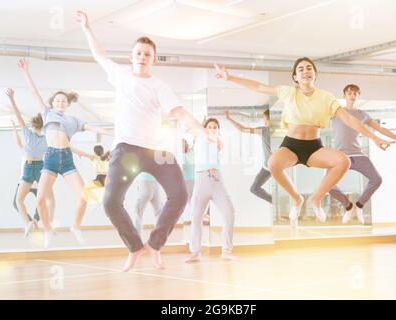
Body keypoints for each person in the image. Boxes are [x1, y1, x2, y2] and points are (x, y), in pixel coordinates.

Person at [77, 10, 213, 271]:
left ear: (153, 59)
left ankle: (154, 244)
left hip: (156, 151)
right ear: (131, 56)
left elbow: (179, 112)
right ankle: (135, 247)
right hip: (126, 149)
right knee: (110, 202)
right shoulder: (121, 76)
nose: (142, 57)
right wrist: (86, 28)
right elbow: (99, 55)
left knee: (180, 195)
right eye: (138, 53)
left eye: (147, 54)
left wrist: (201, 130)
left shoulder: (159, 86)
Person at [214, 58, 394, 227]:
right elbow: (259, 87)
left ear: (315, 74)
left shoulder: (326, 97)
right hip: (291, 145)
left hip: (314, 147)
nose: (305, 71)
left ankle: (316, 199)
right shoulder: (288, 92)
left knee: (343, 161)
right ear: (295, 77)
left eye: (309, 68)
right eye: (301, 69)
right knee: (273, 163)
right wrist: (229, 77)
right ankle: (296, 198)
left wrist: (375, 138)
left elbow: (349, 120)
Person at [17, 58, 113, 248]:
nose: (61, 102)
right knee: (40, 199)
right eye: (57, 100)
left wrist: (111, 131)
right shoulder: (46, 114)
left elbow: (92, 127)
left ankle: (75, 226)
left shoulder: (73, 120)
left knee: (84, 195)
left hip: (67, 159)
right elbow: (33, 92)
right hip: (51, 158)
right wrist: (26, 72)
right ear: (53, 103)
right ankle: (46, 230)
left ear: (67, 104)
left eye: (63, 100)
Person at [329, 84, 396, 224]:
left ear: (358, 96)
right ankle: (348, 206)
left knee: (377, 179)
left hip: (357, 154)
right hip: (340, 156)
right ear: (344, 95)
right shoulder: (337, 113)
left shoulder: (363, 115)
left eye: (355, 93)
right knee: (328, 186)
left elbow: (380, 129)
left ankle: (359, 206)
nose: (352, 95)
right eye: (349, 93)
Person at [185, 118, 237, 263]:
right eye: (210, 126)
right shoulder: (199, 137)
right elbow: (190, 129)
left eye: (215, 127)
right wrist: (201, 128)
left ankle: (226, 251)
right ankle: (195, 253)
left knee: (229, 213)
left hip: (217, 180)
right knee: (195, 217)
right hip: (201, 181)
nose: (212, 129)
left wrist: (211, 134)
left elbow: (217, 144)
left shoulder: (219, 141)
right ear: (204, 128)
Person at [7, 89, 55, 238]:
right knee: (50, 199)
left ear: (33, 126)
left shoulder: (27, 133)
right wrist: (48, 108)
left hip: (28, 167)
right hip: (41, 168)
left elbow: (18, 116)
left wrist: (12, 100)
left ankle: (27, 223)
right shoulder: (48, 137)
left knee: (18, 200)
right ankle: (49, 225)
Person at [225, 109, 272, 204]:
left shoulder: (266, 130)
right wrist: (229, 119)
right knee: (254, 188)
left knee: (255, 188)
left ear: (268, 119)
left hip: (274, 167)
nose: (264, 121)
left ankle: (280, 202)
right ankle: (276, 202)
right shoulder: (265, 130)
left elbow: (243, 129)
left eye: (264, 119)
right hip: (268, 167)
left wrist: (229, 119)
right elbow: (243, 129)